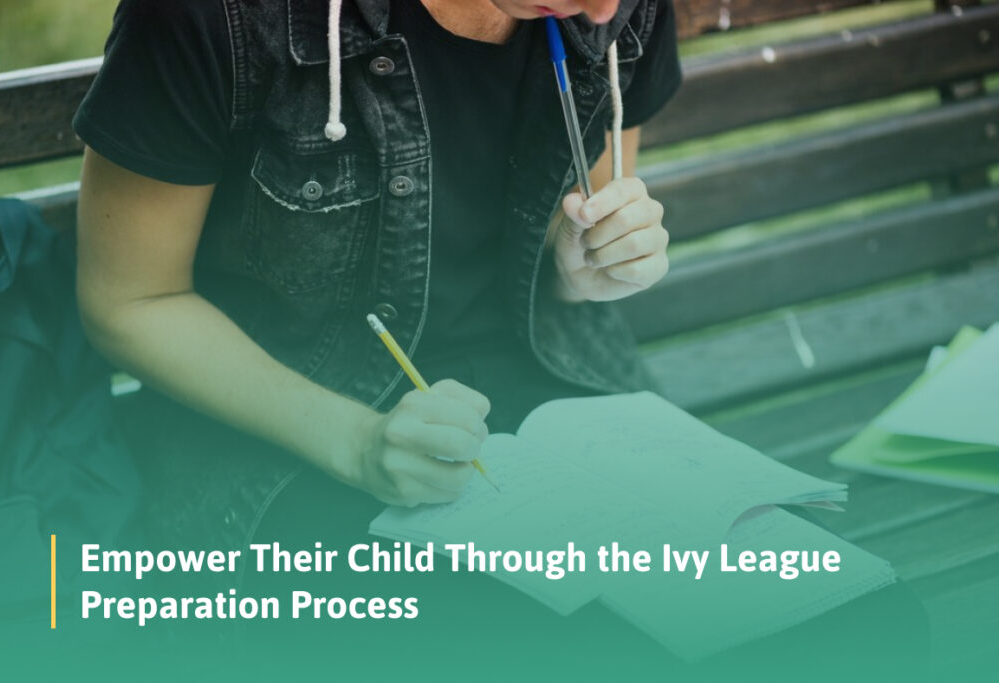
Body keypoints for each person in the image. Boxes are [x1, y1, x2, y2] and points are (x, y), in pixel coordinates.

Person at [71, 0, 927, 678]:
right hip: (291, 446)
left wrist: (582, 261)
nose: (604, 14)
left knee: (864, 622)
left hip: (556, 416)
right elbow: (131, 300)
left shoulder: (614, 6)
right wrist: (360, 443)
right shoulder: (215, 13)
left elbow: (589, 197)